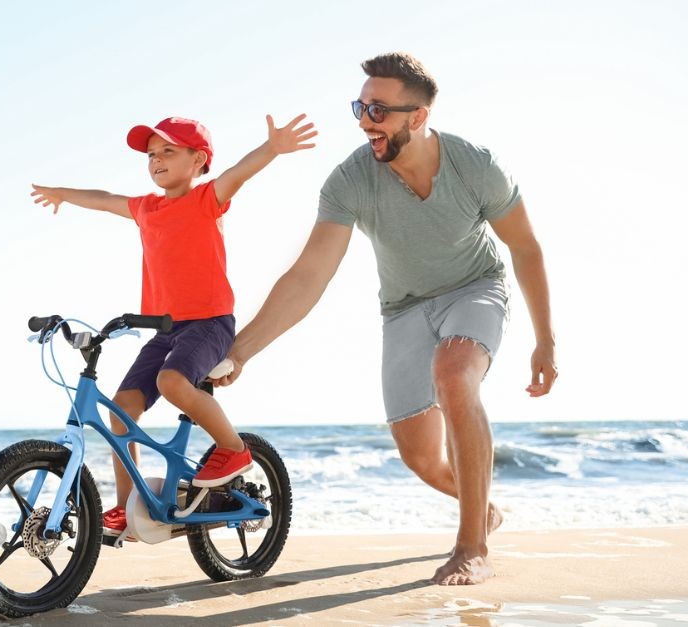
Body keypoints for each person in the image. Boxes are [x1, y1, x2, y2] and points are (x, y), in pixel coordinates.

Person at [215, 53, 557, 585]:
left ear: (417, 117)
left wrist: (546, 342)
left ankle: (472, 546)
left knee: (455, 374)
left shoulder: (475, 165)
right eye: (359, 106)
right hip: (402, 308)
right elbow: (308, 275)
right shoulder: (350, 179)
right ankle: (482, 510)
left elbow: (526, 249)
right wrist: (241, 350)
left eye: (378, 109)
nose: (364, 119)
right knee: (420, 458)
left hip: (474, 288)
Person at [31, 115, 318, 536]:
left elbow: (238, 174)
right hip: (165, 327)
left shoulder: (206, 198)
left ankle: (234, 449)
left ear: (198, 159)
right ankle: (129, 506)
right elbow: (105, 197)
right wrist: (63, 194)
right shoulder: (147, 208)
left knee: (172, 382)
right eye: (151, 155)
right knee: (122, 409)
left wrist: (271, 148)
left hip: (209, 323)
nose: (156, 160)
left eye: (168, 151)